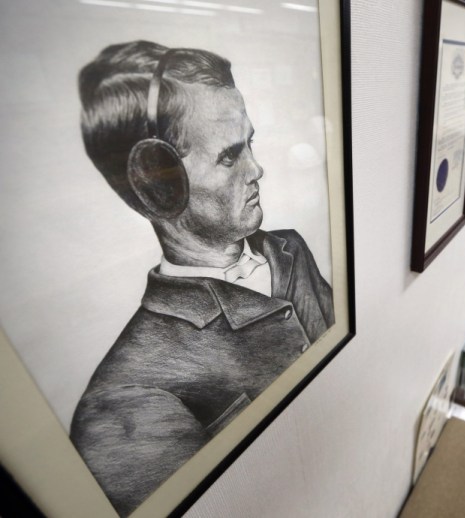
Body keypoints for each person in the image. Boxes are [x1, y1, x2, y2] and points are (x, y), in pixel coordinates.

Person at [70, 41, 334, 515]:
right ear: (157, 182)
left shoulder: (289, 250)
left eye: (249, 143)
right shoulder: (125, 400)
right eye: (229, 157)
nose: (258, 169)